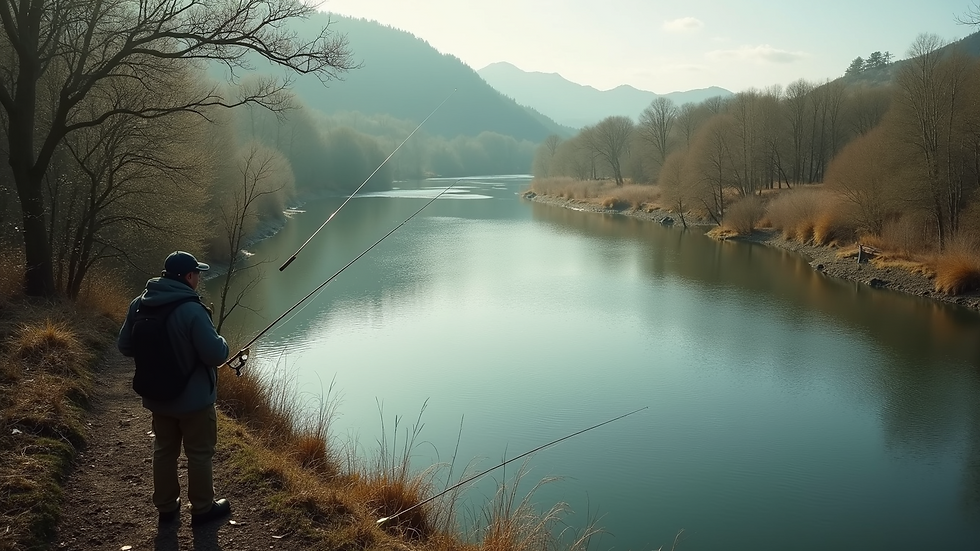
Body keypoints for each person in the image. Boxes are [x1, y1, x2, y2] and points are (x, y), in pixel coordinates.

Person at [117, 251, 232, 526]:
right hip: (194, 402)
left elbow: (124, 346)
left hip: (157, 397)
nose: (199, 278)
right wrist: (224, 342)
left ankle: (167, 507)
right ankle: (203, 509)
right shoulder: (192, 309)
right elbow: (216, 354)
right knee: (199, 453)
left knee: (164, 450)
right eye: (198, 274)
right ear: (189, 276)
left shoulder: (139, 304)